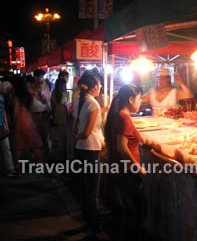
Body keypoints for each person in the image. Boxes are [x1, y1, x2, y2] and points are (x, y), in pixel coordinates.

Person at [103, 84, 147, 240]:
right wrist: (138, 167)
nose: (140, 102)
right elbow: (121, 148)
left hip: (119, 170)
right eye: (139, 99)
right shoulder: (124, 118)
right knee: (137, 212)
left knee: (129, 211)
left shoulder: (117, 116)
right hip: (128, 172)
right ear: (130, 99)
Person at [71, 72, 105, 237]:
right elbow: (86, 133)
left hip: (80, 149)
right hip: (91, 149)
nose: (101, 88)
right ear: (94, 87)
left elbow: (75, 129)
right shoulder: (94, 105)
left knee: (84, 186)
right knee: (93, 189)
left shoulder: (78, 101)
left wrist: (76, 138)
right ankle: (94, 222)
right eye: (99, 84)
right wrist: (80, 136)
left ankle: (87, 217)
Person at [0, 79, 19, 178]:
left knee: (6, 147)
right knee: (6, 148)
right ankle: (9, 168)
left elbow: (3, 112)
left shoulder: (2, 97)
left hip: (2, 125)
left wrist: (6, 124)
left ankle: (10, 168)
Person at [50, 77, 70, 162]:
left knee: (57, 142)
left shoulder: (54, 94)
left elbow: (52, 107)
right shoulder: (65, 94)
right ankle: (62, 161)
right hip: (63, 119)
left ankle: (57, 161)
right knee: (63, 141)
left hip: (56, 119)